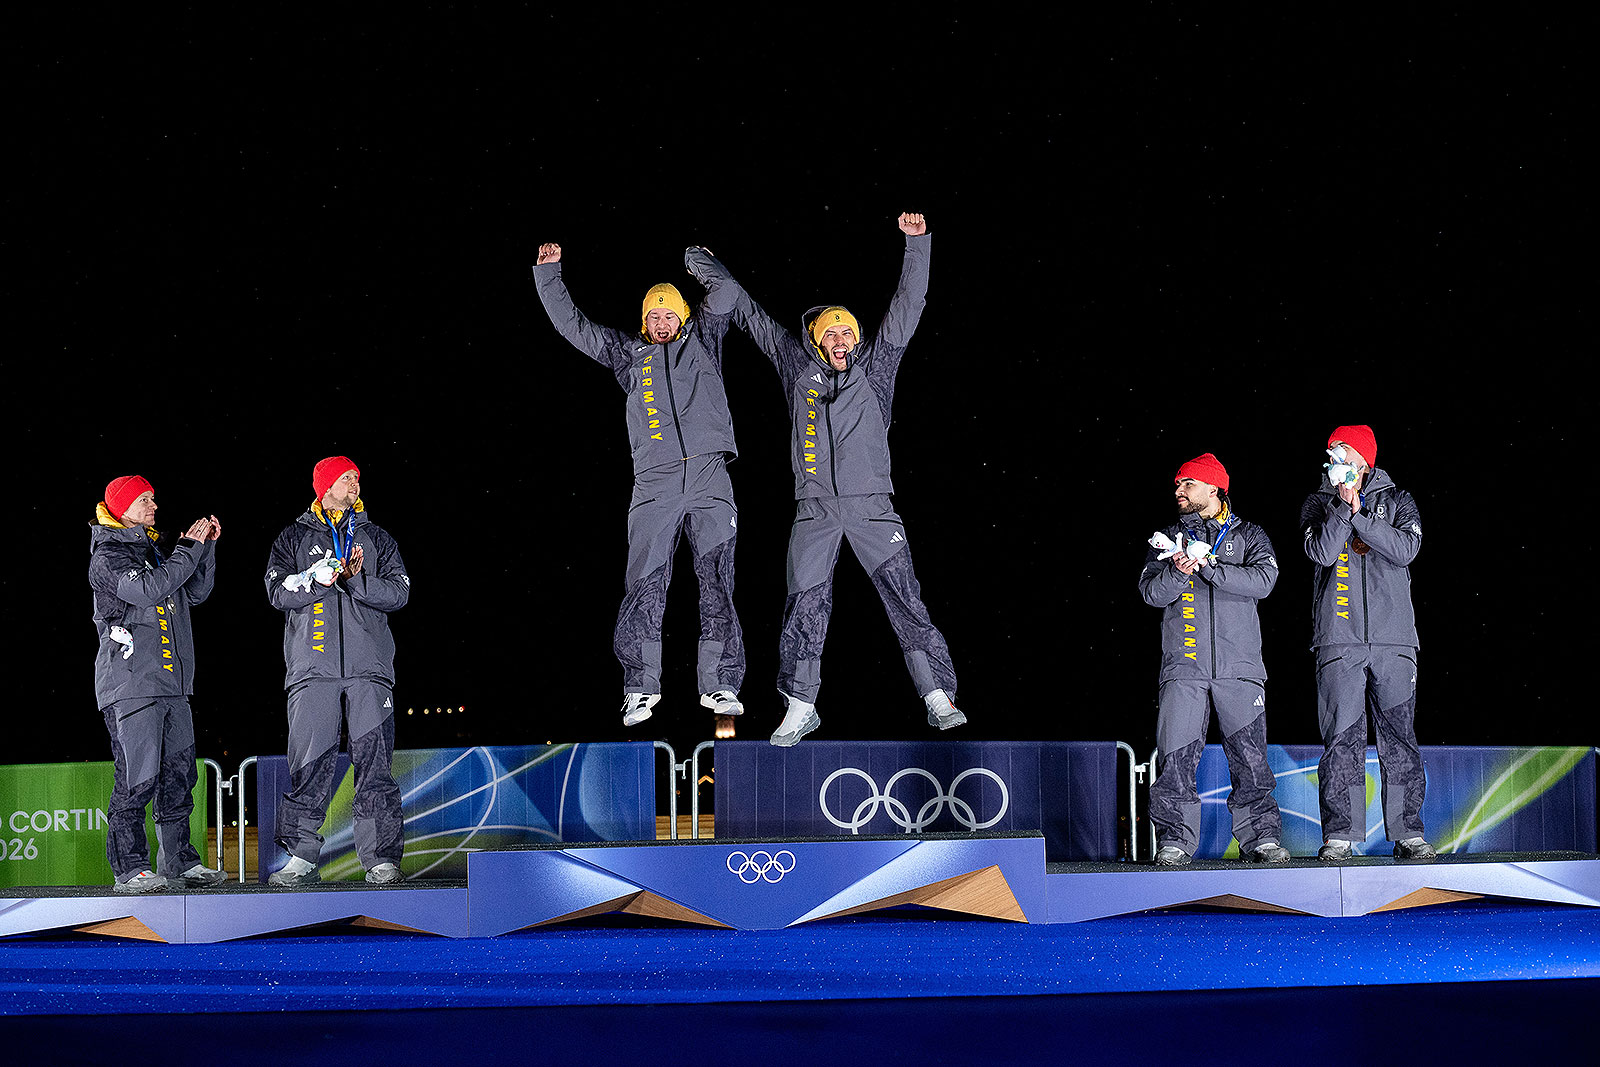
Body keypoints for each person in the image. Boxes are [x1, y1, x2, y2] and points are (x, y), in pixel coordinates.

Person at [688, 212, 965, 745]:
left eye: (847, 331)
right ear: (816, 340)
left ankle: (936, 692)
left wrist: (917, 244)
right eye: (830, 332)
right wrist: (715, 271)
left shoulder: (875, 369)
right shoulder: (798, 369)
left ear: (857, 339)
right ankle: (800, 703)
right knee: (804, 603)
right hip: (814, 508)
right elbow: (752, 316)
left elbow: (908, 307)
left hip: (871, 507)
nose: (840, 337)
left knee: (904, 596)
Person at [532, 242, 746, 727]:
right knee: (645, 583)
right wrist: (549, 275)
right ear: (645, 321)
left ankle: (721, 682)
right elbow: (574, 327)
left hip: (711, 475)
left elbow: (727, 289)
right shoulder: (629, 356)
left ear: (684, 318)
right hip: (655, 482)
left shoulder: (706, 340)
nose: (663, 322)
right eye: (655, 315)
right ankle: (639, 686)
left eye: (671, 314)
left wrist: (699, 261)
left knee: (717, 578)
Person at [1138, 454, 1289, 865]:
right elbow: (1150, 593)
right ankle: (1174, 841)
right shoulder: (1169, 537)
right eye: (1177, 485)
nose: (1178, 492)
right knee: (1175, 758)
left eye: (1187, 484)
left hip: (1239, 669)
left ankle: (1260, 839)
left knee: (1251, 759)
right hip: (1183, 667)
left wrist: (1211, 566)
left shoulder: (1250, 535)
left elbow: (1264, 581)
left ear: (1213, 487)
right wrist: (1180, 571)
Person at [264, 457, 409, 886]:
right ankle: (302, 857)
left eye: (357, 478)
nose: (355, 484)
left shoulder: (378, 539)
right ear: (325, 486)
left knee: (375, 765)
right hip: (312, 669)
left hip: (369, 669)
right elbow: (276, 591)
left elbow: (399, 592)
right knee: (308, 766)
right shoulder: (292, 537)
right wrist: (316, 577)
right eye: (347, 478)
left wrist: (357, 579)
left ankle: (380, 858)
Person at [1301, 425, 1435, 862]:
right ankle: (1341, 835)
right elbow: (1320, 552)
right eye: (1329, 452)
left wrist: (1361, 515)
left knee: (1399, 736)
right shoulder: (1318, 503)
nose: (1332, 458)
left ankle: (1408, 834)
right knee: (1342, 737)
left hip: (1394, 640)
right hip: (1338, 639)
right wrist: (1342, 508)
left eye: (1339, 450)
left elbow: (1405, 549)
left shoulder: (1399, 501)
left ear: (1361, 458)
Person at [88, 475, 227, 893]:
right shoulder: (108, 555)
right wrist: (186, 550)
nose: (154, 505)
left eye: (152, 498)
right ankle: (129, 868)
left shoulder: (154, 552)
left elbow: (196, 592)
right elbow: (150, 589)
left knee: (179, 775)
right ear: (122, 508)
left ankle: (179, 862)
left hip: (172, 684)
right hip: (132, 684)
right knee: (137, 778)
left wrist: (205, 550)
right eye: (144, 500)